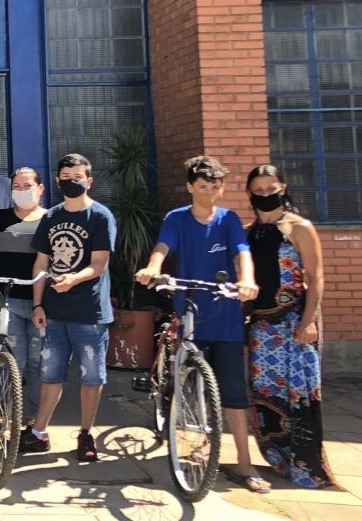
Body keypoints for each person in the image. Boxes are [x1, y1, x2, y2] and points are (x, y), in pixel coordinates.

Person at [135, 157, 263, 489]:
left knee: (233, 392)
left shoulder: (228, 219)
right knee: (190, 384)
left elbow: (241, 252)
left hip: (226, 316)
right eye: (203, 187)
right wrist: (152, 267)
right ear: (191, 187)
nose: (209, 193)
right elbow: (162, 247)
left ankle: (245, 464)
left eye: (215, 187)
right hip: (190, 310)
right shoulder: (176, 219)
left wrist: (247, 280)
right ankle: (195, 441)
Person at [20, 153, 116, 463]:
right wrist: (37, 302)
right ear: (58, 180)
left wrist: (73, 279)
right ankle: (38, 431)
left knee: (91, 377)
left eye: (78, 177)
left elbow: (99, 264)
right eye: (66, 176)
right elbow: (41, 262)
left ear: (89, 181)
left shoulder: (100, 216)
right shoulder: (51, 217)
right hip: (55, 311)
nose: (71, 181)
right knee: (51, 374)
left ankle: (86, 432)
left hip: (89, 312)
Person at [244, 164, 335, 488]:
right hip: (262, 326)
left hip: (296, 322)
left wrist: (309, 320)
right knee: (266, 393)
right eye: (259, 189)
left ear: (283, 188)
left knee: (300, 394)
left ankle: (305, 466)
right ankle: (278, 459)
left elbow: (316, 276)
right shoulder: (249, 232)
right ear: (250, 192)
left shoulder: (299, 227)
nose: (266, 195)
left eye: (272, 188)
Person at [0, 167, 48, 419]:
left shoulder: (51, 220)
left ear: (40, 188)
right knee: (12, 359)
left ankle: (36, 422)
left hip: (43, 303)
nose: (21, 191)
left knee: (39, 364)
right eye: (16, 186)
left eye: (27, 186)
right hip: (8, 301)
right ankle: (5, 418)